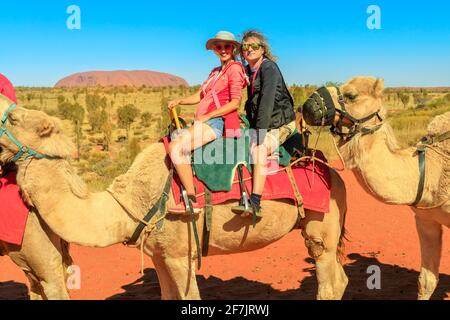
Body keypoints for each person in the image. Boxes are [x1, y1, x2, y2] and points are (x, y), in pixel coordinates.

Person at [167, 31, 247, 214]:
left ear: (233, 48)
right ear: (215, 50)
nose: (223, 50)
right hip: (204, 122)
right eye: (219, 47)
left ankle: (191, 200)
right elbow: (200, 95)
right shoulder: (215, 72)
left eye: (227, 46)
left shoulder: (235, 69)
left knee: (175, 147)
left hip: (215, 122)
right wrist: (180, 101)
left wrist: (208, 116)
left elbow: (235, 102)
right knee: (179, 146)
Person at [232, 30, 296, 217]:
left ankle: (255, 202)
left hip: (280, 124)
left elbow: (266, 102)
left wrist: (259, 134)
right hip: (263, 122)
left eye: (254, 46)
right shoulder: (249, 70)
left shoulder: (268, 68)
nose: (249, 49)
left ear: (263, 49)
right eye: (245, 47)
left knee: (257, 149)